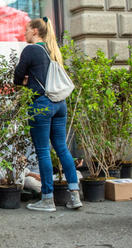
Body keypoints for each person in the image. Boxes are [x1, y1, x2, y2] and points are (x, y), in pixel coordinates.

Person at [13, 17, 82, 212]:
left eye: (27, 29)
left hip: (42, 104)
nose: (24, 33)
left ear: (35, 31)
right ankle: (75, 196)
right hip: (60, 103)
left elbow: (17, 77)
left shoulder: (31, 50)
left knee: (43, 151)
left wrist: (26, 81)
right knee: (62, 148)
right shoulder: (53, 50)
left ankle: (47, 199)